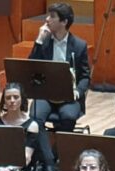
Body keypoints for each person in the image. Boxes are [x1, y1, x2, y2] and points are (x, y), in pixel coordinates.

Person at [27, 3, 91, 134]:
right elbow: (31, 66)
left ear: (64, 22)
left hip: (68, 96)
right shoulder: (44, 42)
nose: (47, 19)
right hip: (45, 95)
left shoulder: (79, 45)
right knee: (35, 117)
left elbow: (85, 77)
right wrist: (38, 41)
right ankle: (45, 147)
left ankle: (60, 145)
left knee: (68, 117)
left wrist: (78, 92)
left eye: (52, 16)